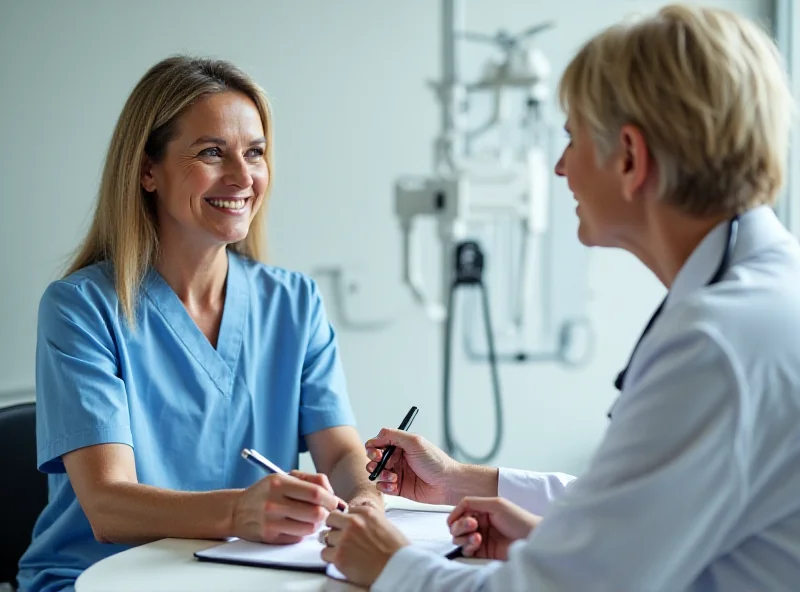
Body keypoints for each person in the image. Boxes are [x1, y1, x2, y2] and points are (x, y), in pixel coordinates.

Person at [319, 4, 800, 591]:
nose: (558, 167)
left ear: (629, 157)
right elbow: (648, 498)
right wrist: (464, 481)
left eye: (571, 139)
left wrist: (390, 564)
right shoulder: (764, 294)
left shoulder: (716, 344)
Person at [17, 56, 382, 592]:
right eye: (212, 152)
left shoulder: (294, 301)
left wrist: (366, 499)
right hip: (94, 577)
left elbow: (342, 452)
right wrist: (241, 512)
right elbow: (108, 506)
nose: (242, 177)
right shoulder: (81, 308)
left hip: (242, 575)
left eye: (254, 153)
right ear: (147, 170)